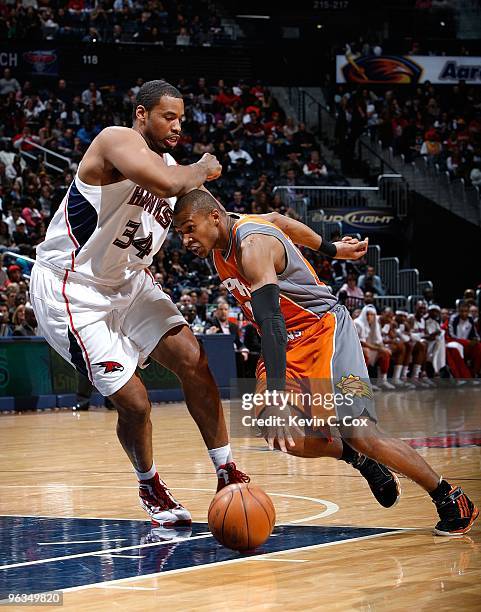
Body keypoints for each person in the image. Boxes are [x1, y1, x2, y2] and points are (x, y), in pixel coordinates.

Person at [173, 189, 478, 536]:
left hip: (323, 330)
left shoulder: (251, 245)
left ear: (214, 217)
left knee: (360, 430)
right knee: (275, 432)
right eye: (179, 233)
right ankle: (354, 456)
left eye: (188, 228)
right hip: (287, 345)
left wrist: (275, 394)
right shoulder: (224, 242)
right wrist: (333, 250)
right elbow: (280, 220)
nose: (185, 239)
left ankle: (449, 497)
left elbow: (272, 320)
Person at [30, 80, 250, 529]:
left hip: (129, 281)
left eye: (182, 119)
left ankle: (226, 469)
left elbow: (209, 217)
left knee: (194, 358)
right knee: (136, 403)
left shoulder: (173, 169)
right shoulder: (117, 141)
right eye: (168, 116)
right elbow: (171, 180)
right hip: (74, 286)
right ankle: (149, 483)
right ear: (142, 113)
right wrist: (205, 164)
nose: (177, 126)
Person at [354, 306, 395, 390]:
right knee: (365, 351)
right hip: (353, 351)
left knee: (385, 352)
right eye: (368, 314)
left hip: (367, 348)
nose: (370, 317)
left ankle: (382, 381)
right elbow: (361, 343)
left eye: (372, 315)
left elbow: (378, 340)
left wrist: (382, 348)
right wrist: (379, 349)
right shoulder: (358, 323)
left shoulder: (372, 324)